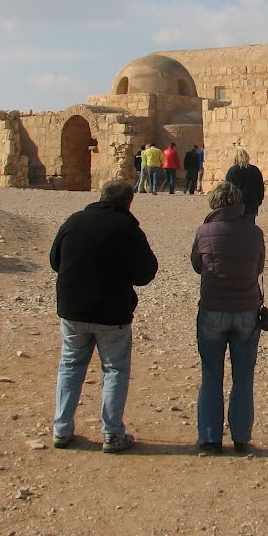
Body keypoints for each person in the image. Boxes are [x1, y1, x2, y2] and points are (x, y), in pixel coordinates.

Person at [50, 180, 159, 453]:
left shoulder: (73, 222)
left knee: (70, 366)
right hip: (112, 313)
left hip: (73, 311)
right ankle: (112, 434)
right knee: (115, 370)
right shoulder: (127, 229)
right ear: (128, 202)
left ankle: (61, 429)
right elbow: (145, 273)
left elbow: (54, 261)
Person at [190, 182, 266, 454]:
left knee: (211, 374)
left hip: (213, 308)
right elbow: (259, 267)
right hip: (246, 310)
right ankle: (241, 437)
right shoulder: (255, 232)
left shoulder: (204, 231)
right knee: (244, 376)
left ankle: (210, 439)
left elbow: (197, 265)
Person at [224, 147, 265, 223]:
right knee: (249, 229)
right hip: (251, 205)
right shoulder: (255, 170)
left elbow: (227, 190)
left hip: (236, 206)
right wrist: (258, 201)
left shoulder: (232, 171)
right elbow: (260, 188)